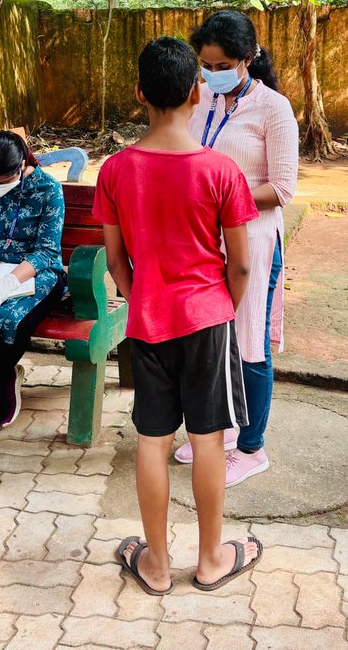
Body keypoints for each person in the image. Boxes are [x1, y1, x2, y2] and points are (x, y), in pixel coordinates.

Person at [95, 36, 263, 595]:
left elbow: (116, 259)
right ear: (197, 91)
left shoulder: (116, 171)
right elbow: (240, 265)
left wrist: (140, 296)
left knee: (151, 438)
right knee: (210, 437)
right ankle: (212, 559)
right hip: (207, 318)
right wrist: (221, 308)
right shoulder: (221, 171)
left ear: (140, 92)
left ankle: (158, 566)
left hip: (148, 320)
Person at [178, 9, 298, 488]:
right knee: (212, 339)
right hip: (204, 241)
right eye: (205, 64)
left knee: (250, 347)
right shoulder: (202, 97)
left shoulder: (274, 109)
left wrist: (223, 199)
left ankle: (252, 447)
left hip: (253, 241)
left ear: (248, 59)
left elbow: (283, 188)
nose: (212, 73)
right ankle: (222, 432)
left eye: (223, 63)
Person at [0, 130, 67, 434]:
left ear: (22, 164)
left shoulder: (47, 188)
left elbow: (47, 251)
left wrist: (8, 283)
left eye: (4, 181)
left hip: (35, 274)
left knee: (10, 318)